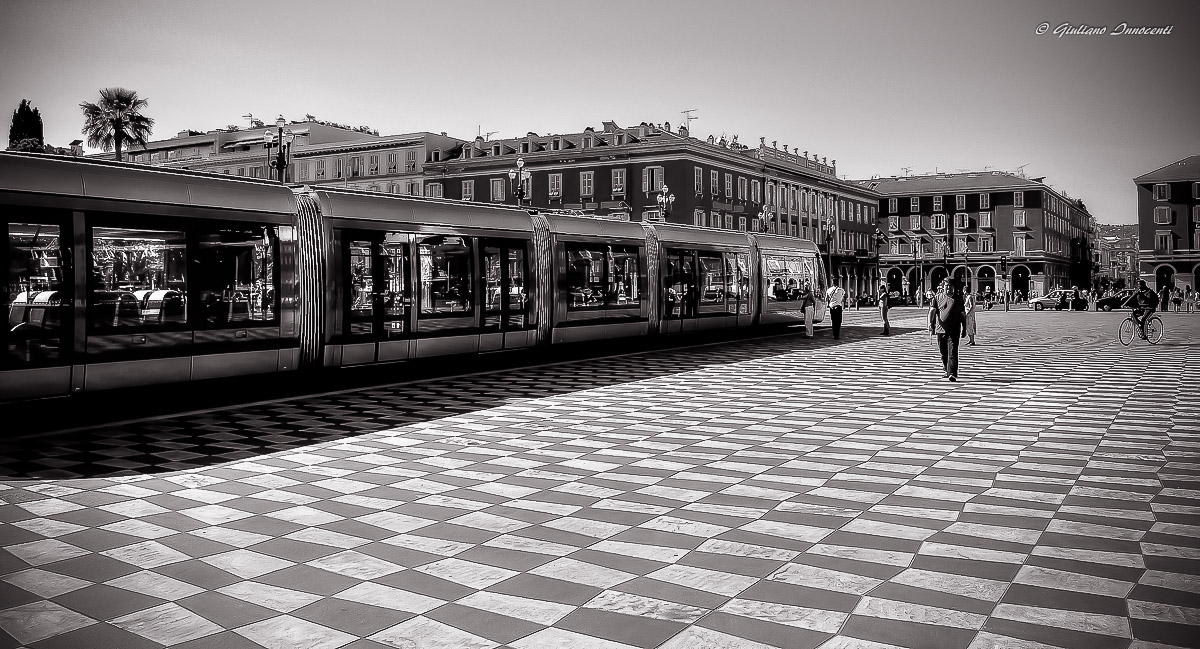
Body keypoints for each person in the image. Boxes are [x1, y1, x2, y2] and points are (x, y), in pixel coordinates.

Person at [929, 278, 966, 381]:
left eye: (950, 286)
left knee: (953, 352)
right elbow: (932, 311)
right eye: (947, 286)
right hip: (940, 330)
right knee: (943, 352)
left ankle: (952, 373)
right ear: (943, 287)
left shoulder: (958, 299)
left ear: (954, 288)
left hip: (954, 330)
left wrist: (964, 328)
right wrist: (930, 324)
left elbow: (963, 315)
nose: (948, 288)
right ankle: (946, 369)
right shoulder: (937, 298)